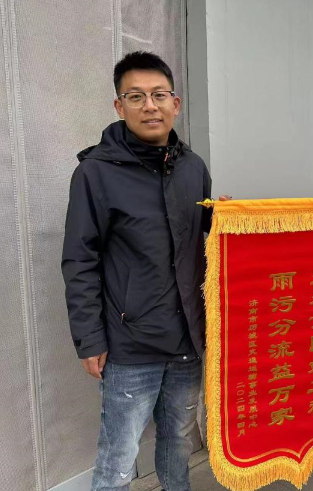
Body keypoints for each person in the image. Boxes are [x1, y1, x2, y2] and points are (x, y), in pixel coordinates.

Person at [62, 51, 218, 491]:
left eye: (159, 95)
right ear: (119, 106)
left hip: (187, 340)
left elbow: (205, 239)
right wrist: (89, 339)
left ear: (175, 103)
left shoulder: (193, 168)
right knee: (119, 455)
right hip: (130, 344)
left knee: (178, 442)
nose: (150, 106)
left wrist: (226, 217)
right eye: (136, 96)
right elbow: (80, 259)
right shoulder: (95, 174)